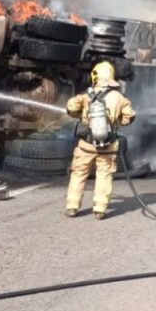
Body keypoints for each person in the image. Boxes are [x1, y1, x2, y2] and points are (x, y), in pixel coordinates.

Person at [65, 61, 136, 220]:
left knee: (79, 174)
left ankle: (72, 206)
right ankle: (100, 209)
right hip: (108, 145)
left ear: (95, 76)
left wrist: (82, 115)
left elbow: (71, 108)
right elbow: (130, 116)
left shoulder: (86, 95)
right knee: (104, 175)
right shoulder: (119, 97)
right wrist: (117, 123)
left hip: (86, 145)